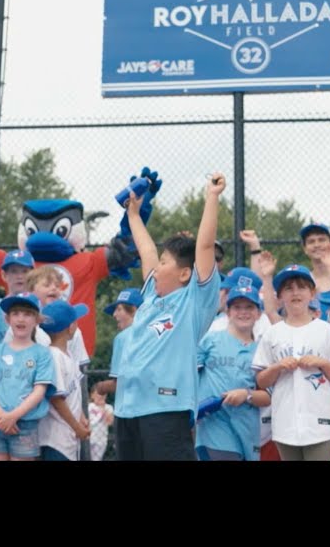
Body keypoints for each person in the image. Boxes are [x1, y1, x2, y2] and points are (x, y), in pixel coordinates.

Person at [112, 172, 224, 461]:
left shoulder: (193, 300)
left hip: (165, 408)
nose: (156, 267)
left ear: (185, 273)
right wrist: (133, 214)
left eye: (164, 263)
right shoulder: (151, 295)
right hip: (127, 408)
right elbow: (146, 249)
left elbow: (205, 246)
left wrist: (211, 198)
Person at [252, 264, 330, 461]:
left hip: (319, 422)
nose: (295, 292)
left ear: (312, 293)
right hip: (285, 422)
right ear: (280, 296)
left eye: (302, 287)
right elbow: (261, 381)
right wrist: (278, 366)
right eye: (288, 288)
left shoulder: (326, 330)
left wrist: (322, 363)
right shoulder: (273, 333)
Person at [0, 293, 56, 461]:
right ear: (7, 319)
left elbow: (39, 391)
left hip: (25, 424)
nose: (21, 319)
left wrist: (13, 416)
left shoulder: (42, 353)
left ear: (37, 320)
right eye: (16, 313)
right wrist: (1, 416)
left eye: (27, 314)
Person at [196, 285, 271, 461]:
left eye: (249, 307)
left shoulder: (262, 351)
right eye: (237, 307)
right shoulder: (210, 340)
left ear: (259, 313)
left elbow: (269, 396)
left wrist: (246, 395)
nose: (243, 312)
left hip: (246, 431)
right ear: (228, 312)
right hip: (213, 427)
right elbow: (187, 376)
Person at [37, 300, 93, 461]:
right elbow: (56, 398)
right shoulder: (54, 356)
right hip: (55, 439)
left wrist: (81, 417)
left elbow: (71, 394)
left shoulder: (67, 354)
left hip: (67, 438)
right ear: (71, 327)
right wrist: (76, 427)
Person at [88, 388, 114, 461]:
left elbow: (109, 422)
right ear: (92, 395)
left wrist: (102, 408)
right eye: (98, 393)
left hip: (100, 440)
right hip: (88, 437)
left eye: (103, 394)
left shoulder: (108, 407)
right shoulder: (89, 406)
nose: (100, 396)